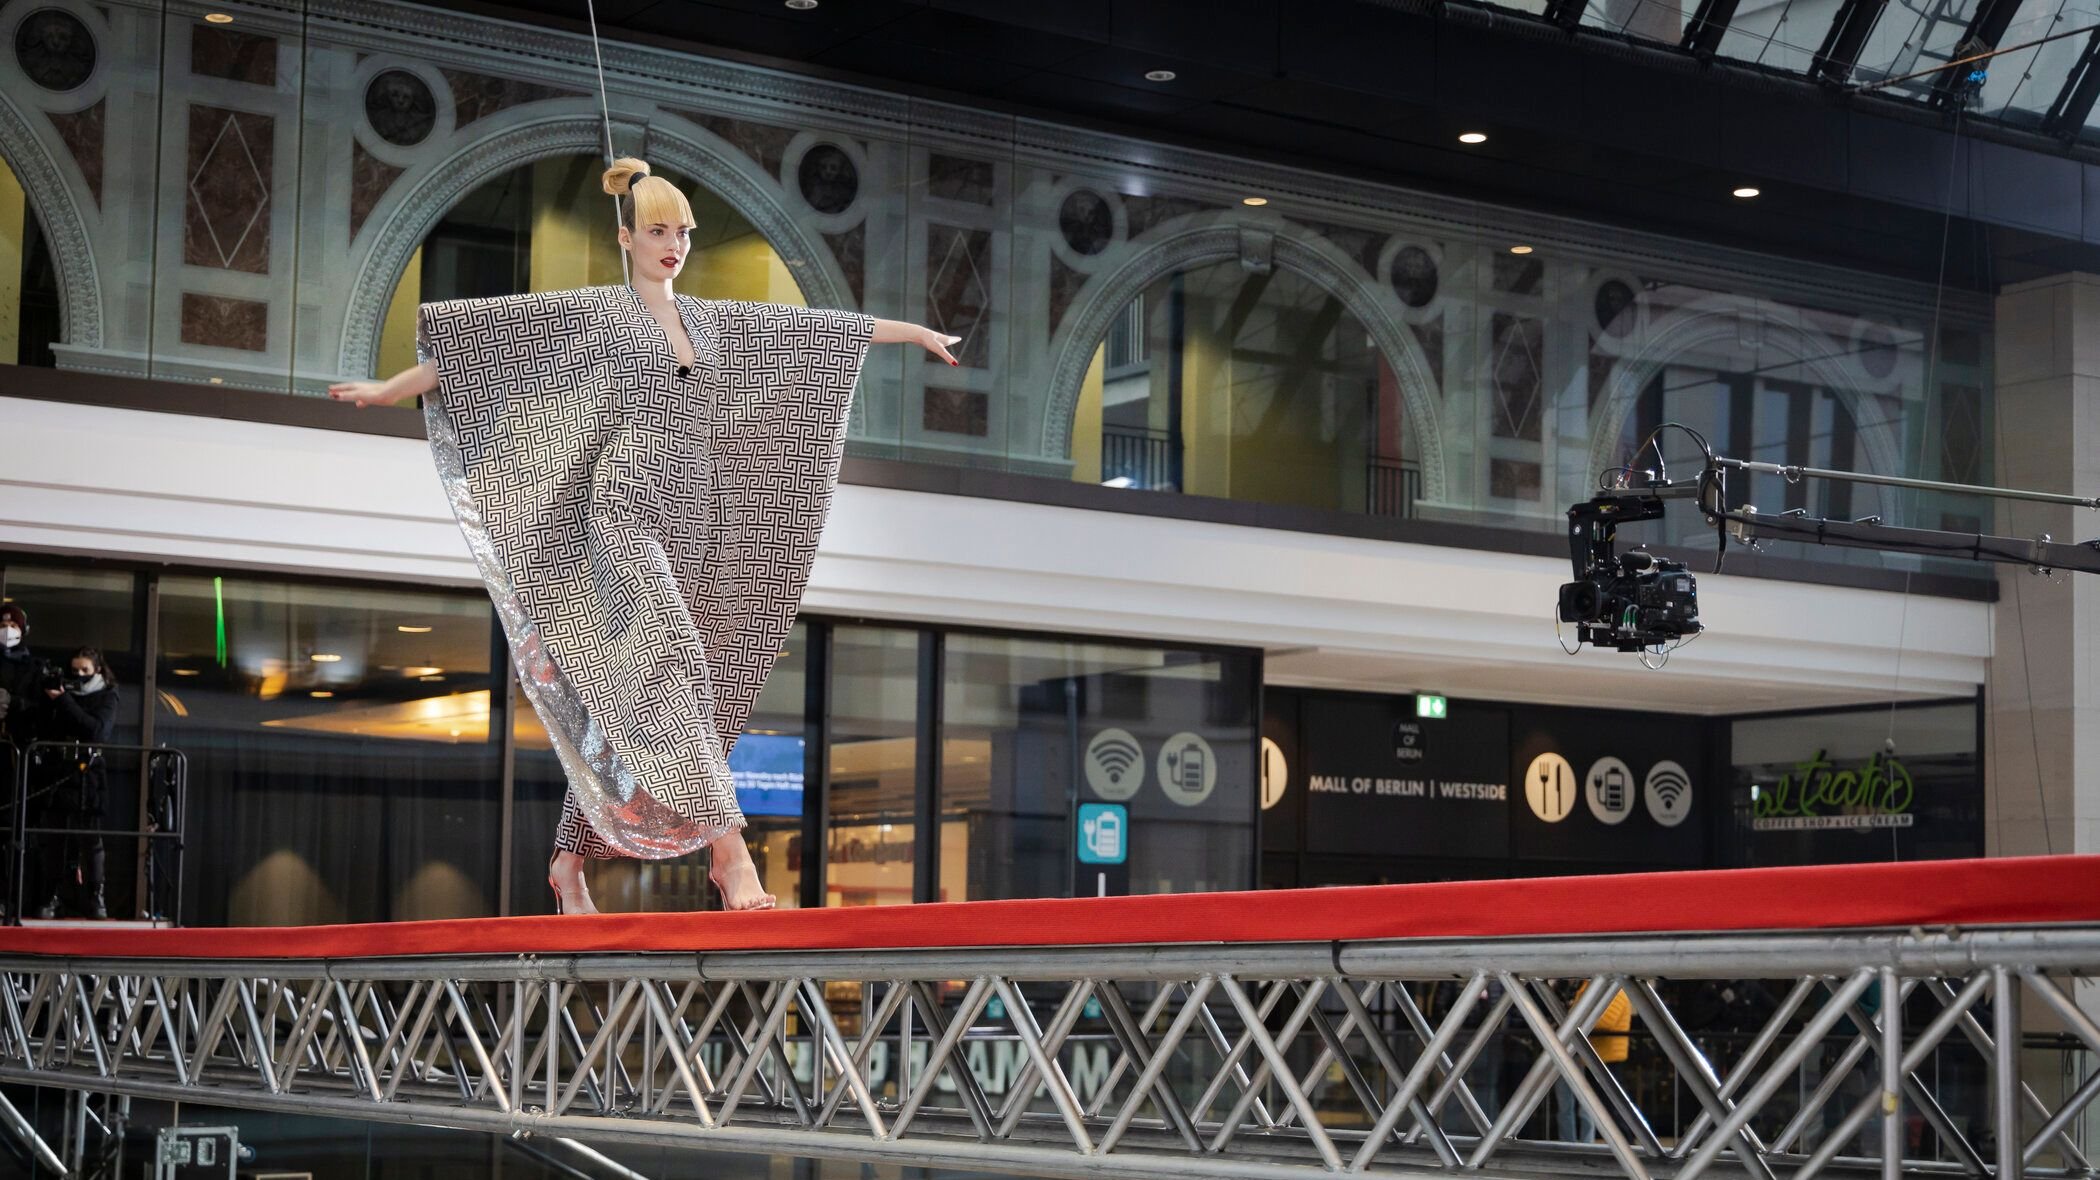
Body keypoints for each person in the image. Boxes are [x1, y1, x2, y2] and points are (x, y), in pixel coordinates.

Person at [329, 158, 959, 915]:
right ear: (626, 237)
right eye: (658, 232)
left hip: (692, 522)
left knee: (650, 697)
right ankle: (732, 855)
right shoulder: (594, 314)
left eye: (683, 233)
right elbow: (477, 356)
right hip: (617, 515)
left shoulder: (715, 321)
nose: (674, 246)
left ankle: (567, 863)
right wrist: (387, 389)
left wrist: (913, 332)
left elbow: (819, 335)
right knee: (668, 663)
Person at [34, 647, 118, 920]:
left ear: (97, 670)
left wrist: (64, 701)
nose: (79, 675)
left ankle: (96, 897)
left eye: (85, 670)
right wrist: (52, 699)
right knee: (54, 839)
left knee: (90, 838)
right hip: (59, 770)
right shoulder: (60, 692)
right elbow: (45, 726)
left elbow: (97, 730)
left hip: (89, 773)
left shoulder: (106, 695)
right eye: (74, 670)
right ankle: (52, 895)